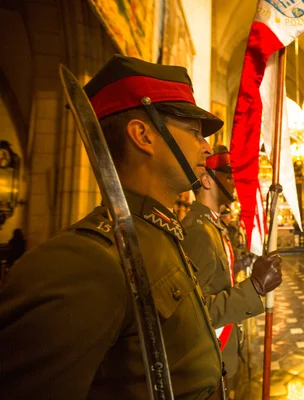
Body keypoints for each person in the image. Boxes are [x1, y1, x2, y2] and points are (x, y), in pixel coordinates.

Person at [0, 55, 229, 399]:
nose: (207, 146)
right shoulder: (85, 262)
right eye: (195, 132)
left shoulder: (162, 233)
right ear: (143, 136)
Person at [181, 146, 282, 384]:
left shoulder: (212, 226)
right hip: (206, 360)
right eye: (228, 175)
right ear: (207, 180)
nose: (234, 181)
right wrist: (255, 287)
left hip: (219, 354)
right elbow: (193, 311)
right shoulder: (198, 230)